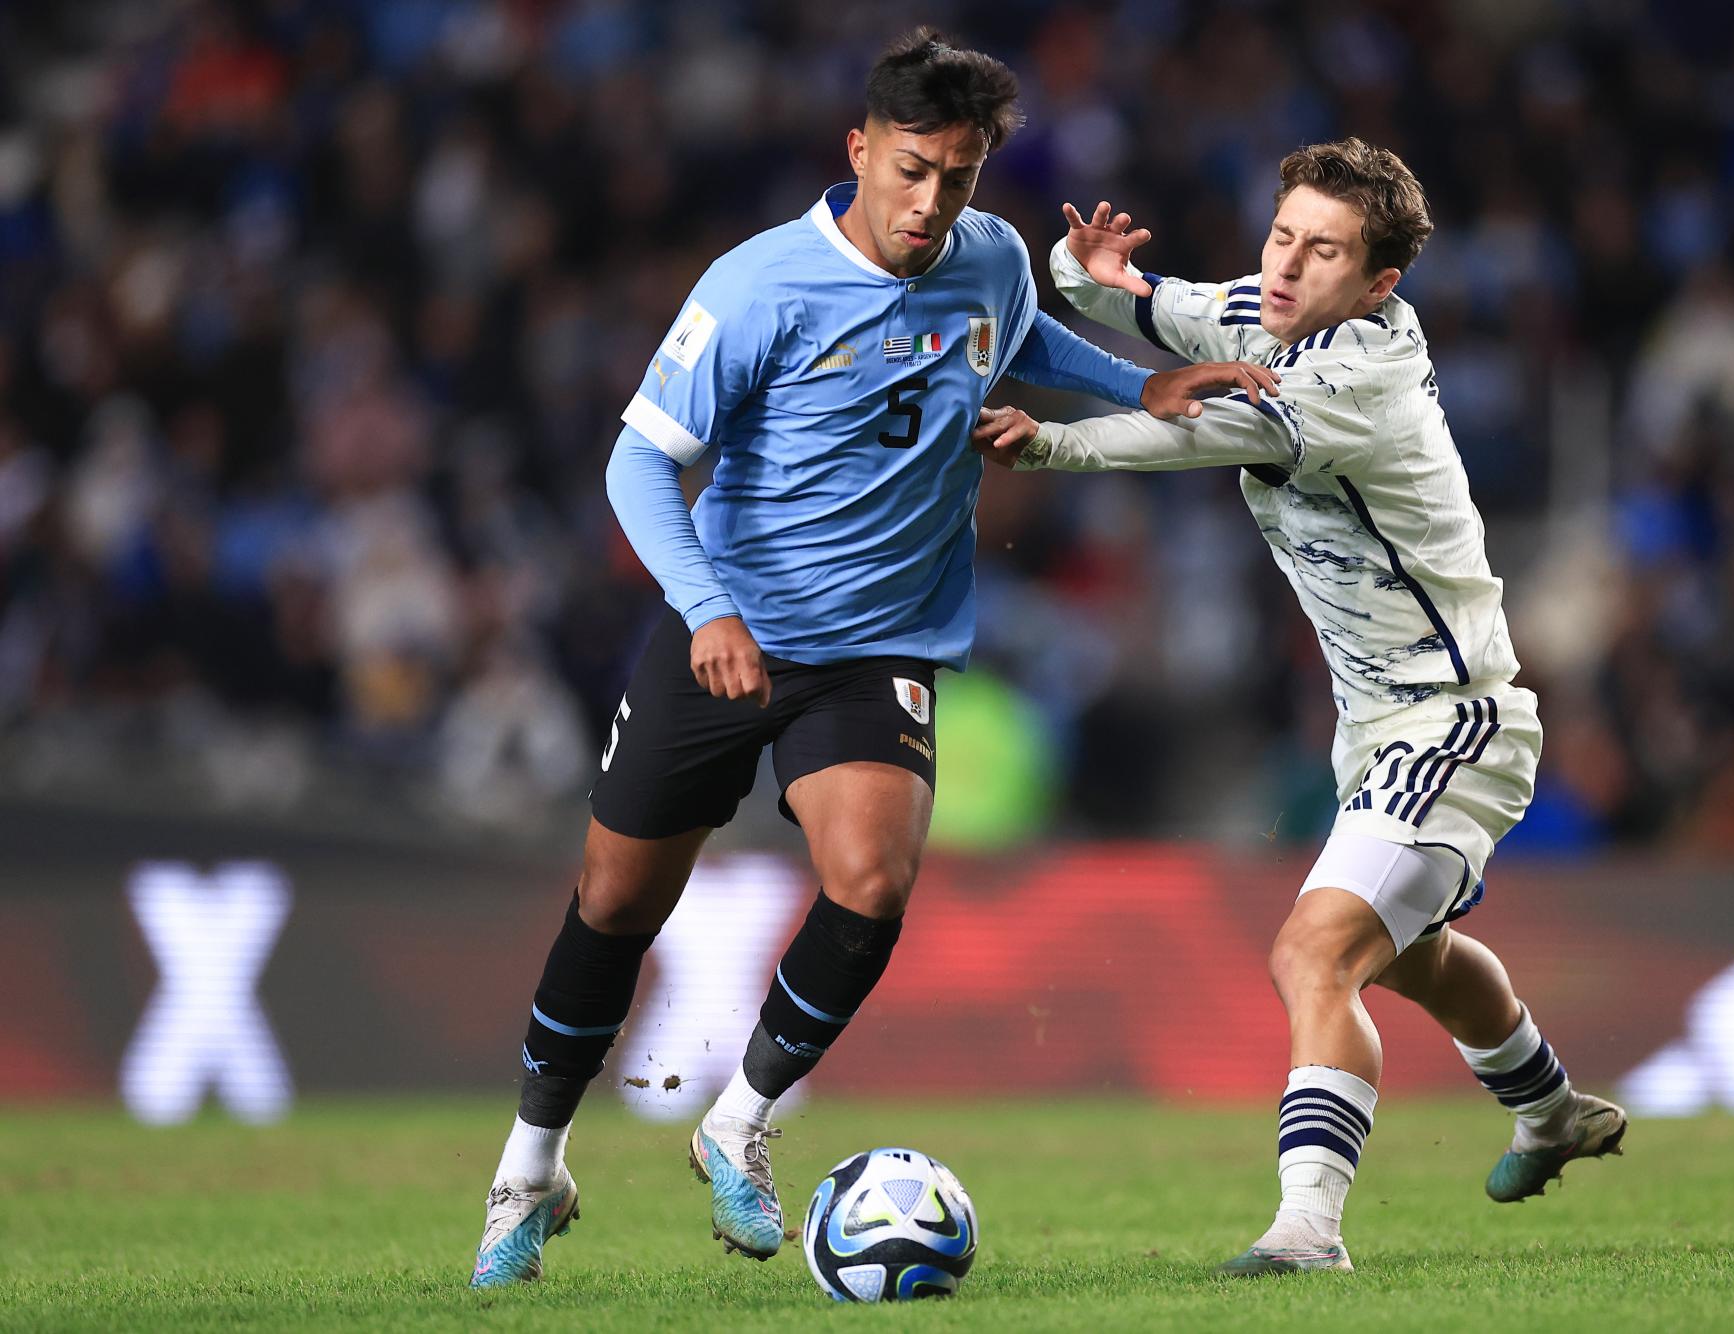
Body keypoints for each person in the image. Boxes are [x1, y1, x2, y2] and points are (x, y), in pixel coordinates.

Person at [468, 30, 1278, 1288]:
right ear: (858, 150)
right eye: (909, 170)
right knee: (617, 902)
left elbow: (1018, 346)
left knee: (872, 878)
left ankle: (735, 1124)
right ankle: (530, 1165)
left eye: (956, 176)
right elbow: (637, 462)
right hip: (723, 627)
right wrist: (706, 610)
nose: (929, 202)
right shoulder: (757, 286)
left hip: (877, 643)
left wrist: (1145, 386)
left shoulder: (992, 258)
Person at [973, 138, 1627, 1276]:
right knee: (1414, 954)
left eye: (1321, 251)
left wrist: (1052, 443)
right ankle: (1550, 1109)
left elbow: (1200, 424)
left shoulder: (1352, 381)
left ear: (1377, 285)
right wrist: (1083, 274)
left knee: (1312, 954)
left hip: (1452, 714)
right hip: (1374, 727)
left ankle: (1306, 1228)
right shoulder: (1274, 303)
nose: (1284, 266)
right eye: (1282, 234)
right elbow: (1167, 309)